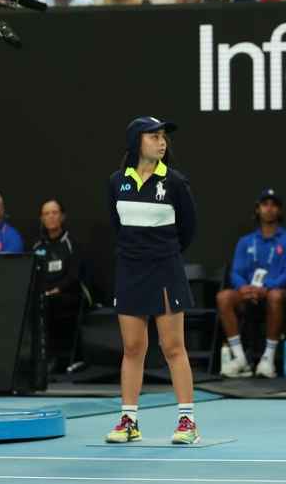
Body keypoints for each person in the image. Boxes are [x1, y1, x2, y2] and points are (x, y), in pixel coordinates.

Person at [105, 116, 199, 445]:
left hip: (165, 270)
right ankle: (128, 421)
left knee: (172, 347)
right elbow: (119, 226)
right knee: (132, 348)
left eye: (163, 137)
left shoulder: (175, 182)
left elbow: (188, 230)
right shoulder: (117, 182)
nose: (162, 142)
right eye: (154, 136)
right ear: (136, 143)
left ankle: (187, 422)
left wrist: (161, 253)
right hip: (130, 271)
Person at [216, 188, 286, 379]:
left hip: (275, 293)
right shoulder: (246, 241)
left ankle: (267, 360)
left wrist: (267, 287)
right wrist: (243, 288)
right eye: (265, 204)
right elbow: (236, 271)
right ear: (257, 210)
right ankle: (240, 360)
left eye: (273, 205)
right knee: (224, 297)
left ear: (279, 211)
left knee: (276, 296)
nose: (269, 209)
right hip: (249, 292)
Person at [32, 198, 82, 374]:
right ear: (42, 219)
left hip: (66, 294)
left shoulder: (70, 244)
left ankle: (55, 358)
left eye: (54, 213)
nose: (51, 217)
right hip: (42, 294)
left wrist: (57, 289)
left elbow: (74, 276)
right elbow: (33, 275)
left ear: (62, 217)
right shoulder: (37, 247)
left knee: (52, 304)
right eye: (46, 213)